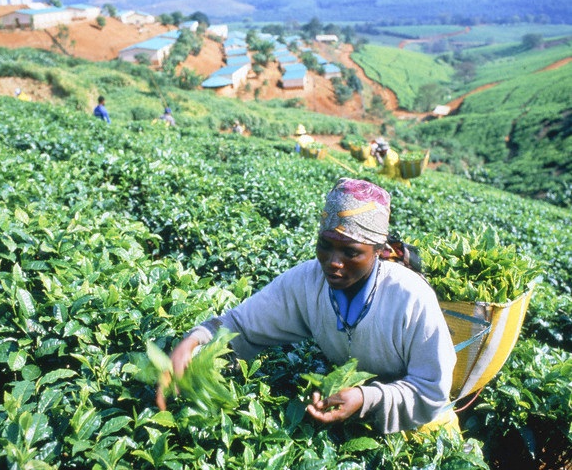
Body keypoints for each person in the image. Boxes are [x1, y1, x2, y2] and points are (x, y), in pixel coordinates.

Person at [165, 178, 458, 435]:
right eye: (325, 244)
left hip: (423, 430)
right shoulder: (308, 282)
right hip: (347, 419)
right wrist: (195, 340)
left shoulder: (410, 296)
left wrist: (366, 398)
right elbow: (241, 325)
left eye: (351, 252)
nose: (333, 262)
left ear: (379, 251)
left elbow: (430, 390)